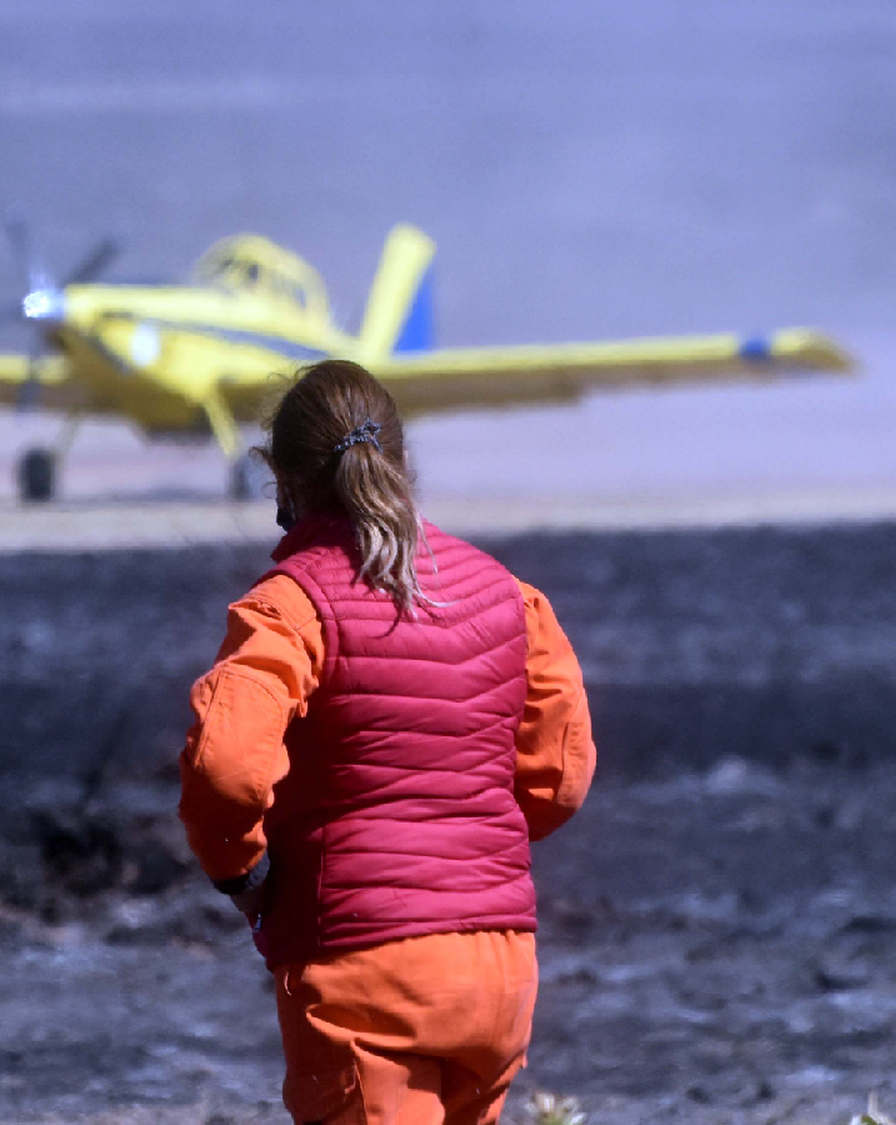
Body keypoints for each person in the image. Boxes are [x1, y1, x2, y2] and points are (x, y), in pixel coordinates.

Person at [179, 359, 596, 1125]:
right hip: (498, 969)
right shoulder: (511, 595)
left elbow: (226, 768)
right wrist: (464, 842)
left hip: (364, 967)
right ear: (402, 461)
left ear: (283, 479)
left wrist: (244, 878)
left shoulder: (291, 607)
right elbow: (559, 778)